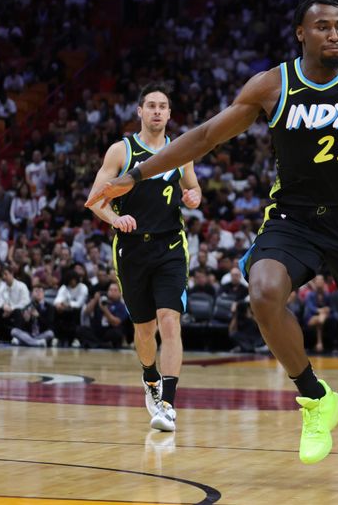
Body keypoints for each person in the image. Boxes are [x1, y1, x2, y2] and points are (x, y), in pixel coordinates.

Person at [86, 0, 338, 465]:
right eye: (322, 26)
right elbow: (205, 137)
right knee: (262, 291)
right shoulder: (272, 86)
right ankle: (316, 397)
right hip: (293, 217)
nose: (334, 34)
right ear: (301, 33)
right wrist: (136, 175)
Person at [85, 82, 202, 432]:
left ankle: (167, 403)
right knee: (144, 328)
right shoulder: (121, 152)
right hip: (131, 248)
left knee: (169, 319)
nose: (156, 111)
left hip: (170, 246)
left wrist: (193, 196)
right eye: (150, 105)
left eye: (162, 106)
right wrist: (114, 218)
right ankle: (150, 376)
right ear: (139, 111)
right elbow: (94, 200)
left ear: (169, 113)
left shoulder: (181, 150)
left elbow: (191, 186)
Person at [76, 282, 129, 349]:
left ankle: (95, 344)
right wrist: (95, 299)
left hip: (109, 331)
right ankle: (102, 344)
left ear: (119, 294)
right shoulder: (99, 301)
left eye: (115, 290)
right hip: (96, 330)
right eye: (110, 290)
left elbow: (116, 323)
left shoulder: (121, 306)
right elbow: (87, 312)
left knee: (117, 333)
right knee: (80, 329)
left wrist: (105, 310)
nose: (112, 292)